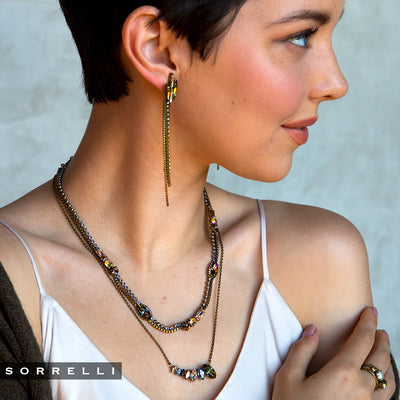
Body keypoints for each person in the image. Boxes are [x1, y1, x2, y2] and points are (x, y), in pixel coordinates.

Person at [0, 0, 398, 399]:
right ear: (158, 49)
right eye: (299, 36)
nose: (335, 83)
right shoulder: (13, 287)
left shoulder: (320, 261)